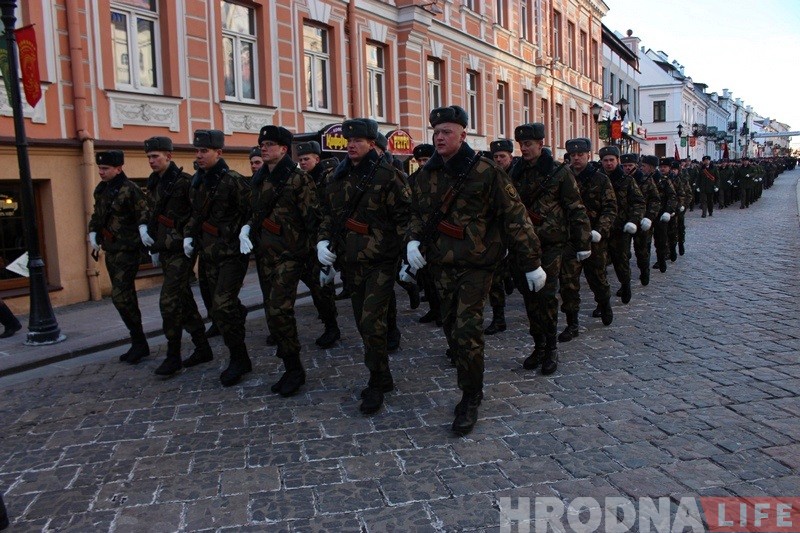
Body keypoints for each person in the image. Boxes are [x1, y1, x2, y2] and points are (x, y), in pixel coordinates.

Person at [406, 105, 544, 435]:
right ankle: (469, 378)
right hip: (441, 265)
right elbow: (417, 213)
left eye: (447, 132)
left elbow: (516, 217)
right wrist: (412, 242)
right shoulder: (427, 175)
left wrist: (532, 262)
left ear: (463, 135)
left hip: (477, 265)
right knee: (451, 326)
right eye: (436, 132)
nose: (440, 137)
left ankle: (470, 396)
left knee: (467, 329)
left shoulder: (486, 171)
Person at [317, 118, 411, 415]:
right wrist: (323, 243)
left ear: (372, 143)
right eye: (348, 141)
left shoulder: (388, 176)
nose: (351, 145)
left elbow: (405, 217)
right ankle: (383, 375)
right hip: (351, 262)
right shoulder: (338, 175)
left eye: (358, 140)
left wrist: (407, 257)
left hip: (380, 261)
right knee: (362, 322)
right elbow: (328, 215)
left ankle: (376, 380)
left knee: (372, 323)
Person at [241, 126, 320, 396]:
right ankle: (290, 365)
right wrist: (247, 229)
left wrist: (316, 254)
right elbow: (256, 211)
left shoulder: (298, 179)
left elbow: (312, 218)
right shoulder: (259, 178)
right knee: (272, 312)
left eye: (270, 144)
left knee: (279, 310)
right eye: (262, 143)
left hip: (291, 253)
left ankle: (294, 369)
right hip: (266, 254)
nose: (264, 148)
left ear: (284, 149)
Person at [510, 123, 590, 374]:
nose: (524, 148)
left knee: (545, 297)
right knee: (529, 298)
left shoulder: (558, 172)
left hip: (551, 245)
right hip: (523, 246)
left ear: (540, 144)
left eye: (529, 144)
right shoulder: (516, 172)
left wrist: (582, 242)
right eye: (521, 144)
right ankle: (538, 346)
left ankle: (551, 348)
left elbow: (575, 208)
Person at [184, 130, 252, 387]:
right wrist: (189, 236)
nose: (199, 156)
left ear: (219, 153)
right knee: (215, 308)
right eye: (197, 151)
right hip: (208, 253)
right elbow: (195, 214)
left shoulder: (232, 181)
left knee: (223, 306)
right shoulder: (197, 181)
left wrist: (247, 229)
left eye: (205, 151)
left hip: (231, 254)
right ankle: (237, 318)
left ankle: (239, 358)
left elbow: (252, 210)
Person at [143, 136, 212, 376]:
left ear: (169, 156)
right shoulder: (154, 182)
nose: (151, 161)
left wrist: (190, 237)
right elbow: (150, 212)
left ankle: (173, 355)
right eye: (149, 157)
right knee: (183, 300)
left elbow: (198, 213)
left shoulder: (184, 182)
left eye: (155, 156)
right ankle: (203, 347)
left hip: (182, 250)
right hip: (164, 249)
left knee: (169, 302)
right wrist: (148, 235)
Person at [88, 150, 151, 364]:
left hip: (128, 249)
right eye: (100, 168)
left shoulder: (129, 189)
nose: (101, 172)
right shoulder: (101, 189)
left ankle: (139, 341)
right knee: (123, 297)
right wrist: (93, 232)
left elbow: (143, 212)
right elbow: (98, 214)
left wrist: (143, 230)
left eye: (105, 168)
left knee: (121, 295)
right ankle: (138, 341)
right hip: (112, 249)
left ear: (118, 168)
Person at [558, 138, 616, 340]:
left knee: (596, 277)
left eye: (580, 155)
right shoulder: (563, 177)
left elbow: (610, 208)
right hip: (571, 238)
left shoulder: (600, 179)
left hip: (593, 238)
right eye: (573, 155)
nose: (576, 158)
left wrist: (600, 229)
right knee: (568, 282)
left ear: (588, 156)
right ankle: (572, 323)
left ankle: (604, 302)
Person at [295, 140, 341, 349]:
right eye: (300, 159)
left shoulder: (327, 178)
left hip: (322, 240)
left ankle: (332, 326)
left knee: (322, 287)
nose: (303, 162)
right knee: (315, 287)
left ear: (317, 159)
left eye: (307, 159)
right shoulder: (298, 180)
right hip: (302, 241)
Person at [598, 146, 644, 307]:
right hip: (601, 230)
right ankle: (602, 303)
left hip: (620, 229)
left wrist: (633, 221)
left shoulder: (627, 180)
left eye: (612, 160)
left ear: (617, 161)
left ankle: (625, 285)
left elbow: (638, 203)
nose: (609, 163)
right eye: (605, 160)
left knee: (621, 262)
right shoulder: (597, 179)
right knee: (599, 266)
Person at [483, 139, 517, 336]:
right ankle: (499, 318)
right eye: (495, 157)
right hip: (496, 234)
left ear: (510, 157)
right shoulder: (489, 175)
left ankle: (510, 277)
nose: (498, 160)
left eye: (502, 157)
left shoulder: (519, 174)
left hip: (516, 231)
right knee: (494, 279)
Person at [408, 143, 442, 327]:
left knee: (438, 277)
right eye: (419, 160)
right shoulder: (413, 179)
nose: (422, 163)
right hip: (420, 233)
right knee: (425, 276)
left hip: (439, 234)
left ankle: (442, 311)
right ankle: (434, 308)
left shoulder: (440, 175)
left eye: (426, 159)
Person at [622, 154, 659, 286]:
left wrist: (649, 217)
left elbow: (655, 200)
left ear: (636, 166)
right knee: (623, 255)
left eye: (630, 165)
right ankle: (625, 284)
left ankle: (644, 271)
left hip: (642, 221)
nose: (627, 168)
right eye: (625, 166)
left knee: (642, 251)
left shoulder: (646, 179)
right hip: (625, 221)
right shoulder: (621, 180)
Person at [648, 156, 677, 273]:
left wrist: (669, 210)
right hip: (649, 214)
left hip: (662, 214)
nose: (662, 169)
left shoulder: (665, 180)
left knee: (664, 237)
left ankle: (663, 257)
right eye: (661, 167)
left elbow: (673, 196)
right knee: (647, 241)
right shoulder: (645, 179)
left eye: (664, 167)